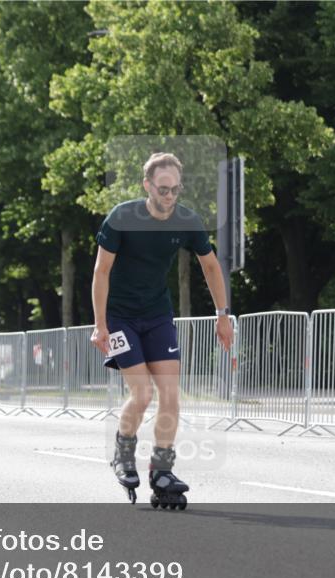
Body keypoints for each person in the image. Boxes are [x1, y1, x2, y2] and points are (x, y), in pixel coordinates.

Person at [90, 152, 233, 508]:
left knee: (170, 395)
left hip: (157, 315)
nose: (170, 196)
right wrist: (100, 325)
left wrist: (222, 314)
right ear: (148, 186)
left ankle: (162, 470)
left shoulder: (186, 221)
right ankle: (123, 452)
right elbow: (101, 272)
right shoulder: (122, 217)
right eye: (163, 189)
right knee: (142, 395)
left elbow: (211, 267)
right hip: (121, 317)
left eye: (175, 190)